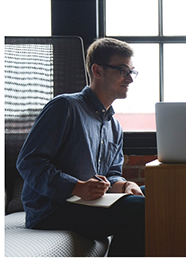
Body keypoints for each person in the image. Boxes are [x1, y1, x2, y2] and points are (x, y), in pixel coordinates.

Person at [17, 38, 145, 257]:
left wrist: (124, 185)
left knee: (156, 198)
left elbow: (111, 174)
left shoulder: (114, 125)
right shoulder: (65, 106)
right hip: (53, 209)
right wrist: (75, 187)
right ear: (97, 71)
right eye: (123, 70)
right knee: (141, 209)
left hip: (91, 204)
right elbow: (29, 162)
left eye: (132, 72)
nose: (130, 80)